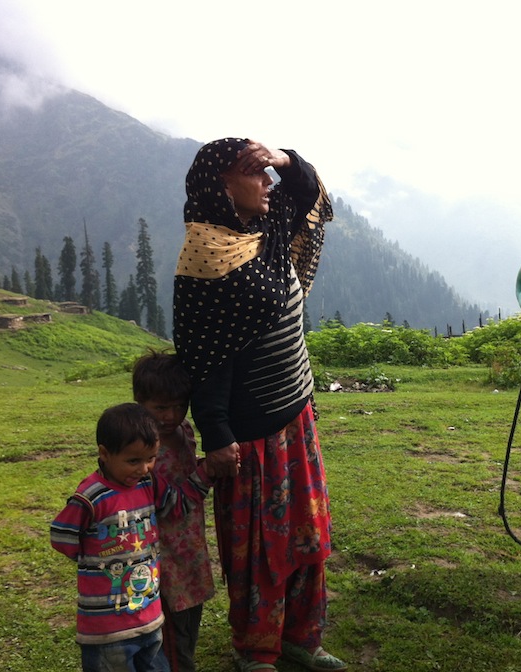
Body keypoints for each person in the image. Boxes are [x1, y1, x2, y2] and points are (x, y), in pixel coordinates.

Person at [172, 138, 343, 672]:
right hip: (250, 433)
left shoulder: (265, 233)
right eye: (254, 174)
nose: (267, 184)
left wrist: (283, 159)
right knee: (260, 547)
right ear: (222, 186)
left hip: (298, 414)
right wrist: (217, 433)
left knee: (307, 535)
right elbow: (205, 358)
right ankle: (257, 649)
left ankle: (301, 637)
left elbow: (312, 193)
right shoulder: (207, 257)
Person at [50, 403, 216, 672]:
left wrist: (205, 474)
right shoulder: (92, 495)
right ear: (104, 454)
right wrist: (98, 554)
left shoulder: (148, 483)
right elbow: (62, 537)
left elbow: (176, 504)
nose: (144, 468)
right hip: (107, 629)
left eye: (150, 458)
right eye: (133, 461)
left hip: (149, 618)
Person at [132, 350, 216, 672]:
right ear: (140, 402)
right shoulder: (142, 451)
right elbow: (172, 505)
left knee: (189, 622)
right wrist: (207, 472)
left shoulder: (185, 432)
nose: (171, 415)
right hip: (163, 559)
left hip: (190, 551)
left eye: (179, 405)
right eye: (160, 408)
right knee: (172, 638)